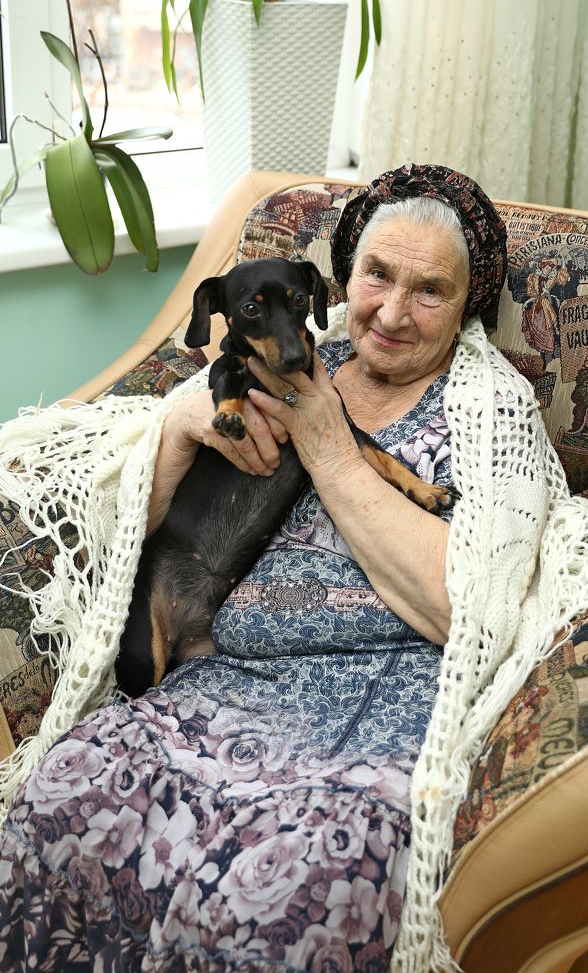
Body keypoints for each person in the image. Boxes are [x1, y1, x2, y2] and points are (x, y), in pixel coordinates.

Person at [0, 164, 507, 972]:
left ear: (467, 303)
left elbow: (475, 606)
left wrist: (330, 450)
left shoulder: (491, 411)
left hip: (365, 712)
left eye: (430, 291)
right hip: (207, 677)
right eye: (377, 275)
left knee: (284, 894)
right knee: (64, 797)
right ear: (341, 283)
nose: (392, 311)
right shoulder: (266, 361)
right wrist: (178, 429)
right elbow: (122, 529)